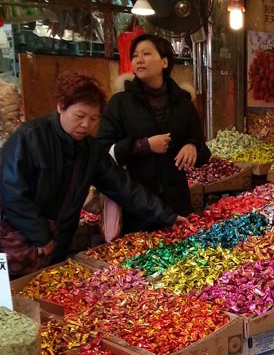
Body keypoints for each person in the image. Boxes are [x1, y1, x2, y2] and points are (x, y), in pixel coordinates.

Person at [0, 72, 179, 277]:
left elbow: (122, 186)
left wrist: (167, 215)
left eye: (94, 118)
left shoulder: (90, 150)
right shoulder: (30, 138)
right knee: (12, 299)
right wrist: (39, 235)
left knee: (48, 291)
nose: (86, 124)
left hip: (60, 241)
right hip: (21, 240)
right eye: (79, 116)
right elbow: (12, 193)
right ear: (61, 107)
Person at [96, 33, 210, 229]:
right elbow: (102, 151)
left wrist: (192, 147)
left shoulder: (183, 104)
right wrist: (143, 145)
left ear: (164, 62)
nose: (139, 60)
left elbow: (203, 151)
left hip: (177, 205)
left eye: (146, 53)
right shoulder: (120, 104)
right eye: (135, 56)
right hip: (137, 209)